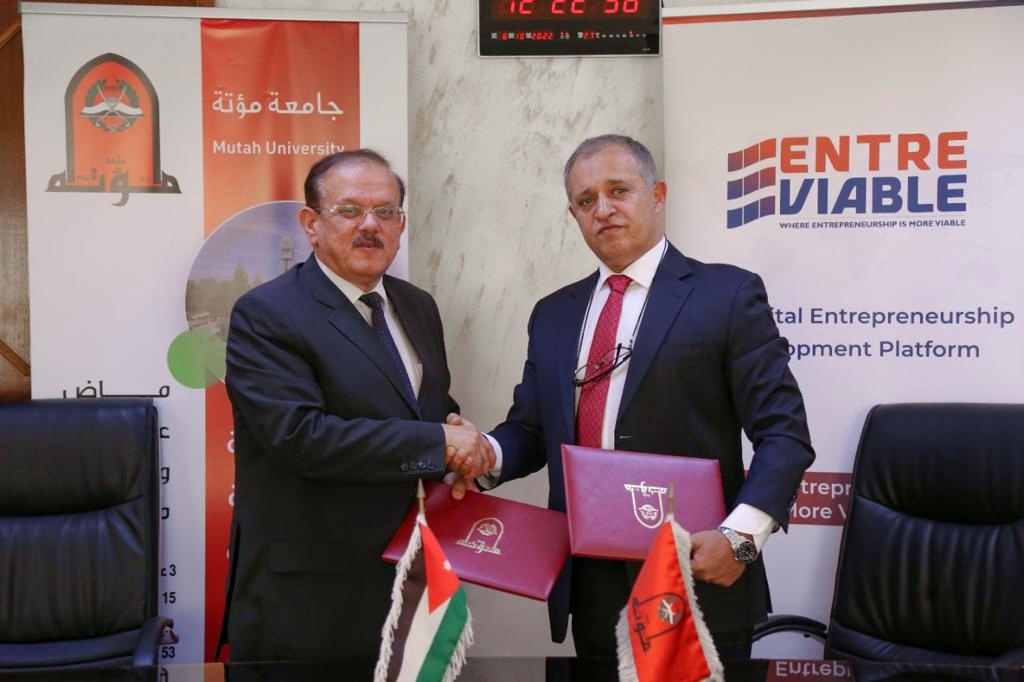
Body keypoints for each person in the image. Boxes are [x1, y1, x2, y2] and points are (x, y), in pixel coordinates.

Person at [452, 134, 814, 659]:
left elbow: (785, 433)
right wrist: (484, 453)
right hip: (591, 581)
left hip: (696, 570)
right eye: (586, 200)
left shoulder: (727, 295)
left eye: (618, 190)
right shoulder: (554, 314)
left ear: (657, 195)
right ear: (574, 215)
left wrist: (740, 539)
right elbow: (531, 429)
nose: (603, 209)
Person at [220, 150, 494, 662]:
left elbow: (425, 408)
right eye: (349, 210)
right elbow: (301, 438)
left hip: (414, 578)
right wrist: (440, 442)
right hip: (312, 598)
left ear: (401, 224)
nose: (370, 225)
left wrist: (456, 444)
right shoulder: (267, 313)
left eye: (386, 211)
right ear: (311, 224)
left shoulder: (417, 306)